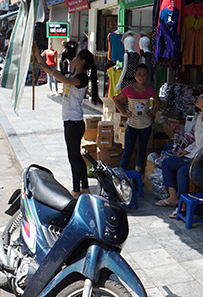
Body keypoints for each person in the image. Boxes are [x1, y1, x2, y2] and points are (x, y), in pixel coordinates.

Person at [32, 43, 100, 199]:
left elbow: (59, 77)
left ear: (82, 62)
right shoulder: (72, 75)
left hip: (74, 122)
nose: (73, 59)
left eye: (76, 57)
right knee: (75, 156)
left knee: (73, 156)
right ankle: (84, 188)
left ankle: (77, 190)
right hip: (70, 121)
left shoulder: (81, 79)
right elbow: (51, 70)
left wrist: (52, 70)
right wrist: (37, 54)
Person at [156, 89, 203, 214]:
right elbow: (198, 141)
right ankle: (173, 197)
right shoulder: (199, 118)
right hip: (192, 156)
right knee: (167, 163)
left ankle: (183, 205)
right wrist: (186, 150)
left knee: (183, 172)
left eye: (201, 97)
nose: (198, 98)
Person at [114, 64, 160, 175]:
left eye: (144, 75)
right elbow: (116, 99)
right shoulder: (129, 89)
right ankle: (121, 174)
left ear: (147, 76)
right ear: (134, 75)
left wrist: (153, 112)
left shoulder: (149, 90)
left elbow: (158, 101)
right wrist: (123, 112)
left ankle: (137, 174)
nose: (141, 77)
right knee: (128, 150)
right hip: (132, 125)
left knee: (141, 150)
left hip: (146, 126)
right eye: (139, 74)